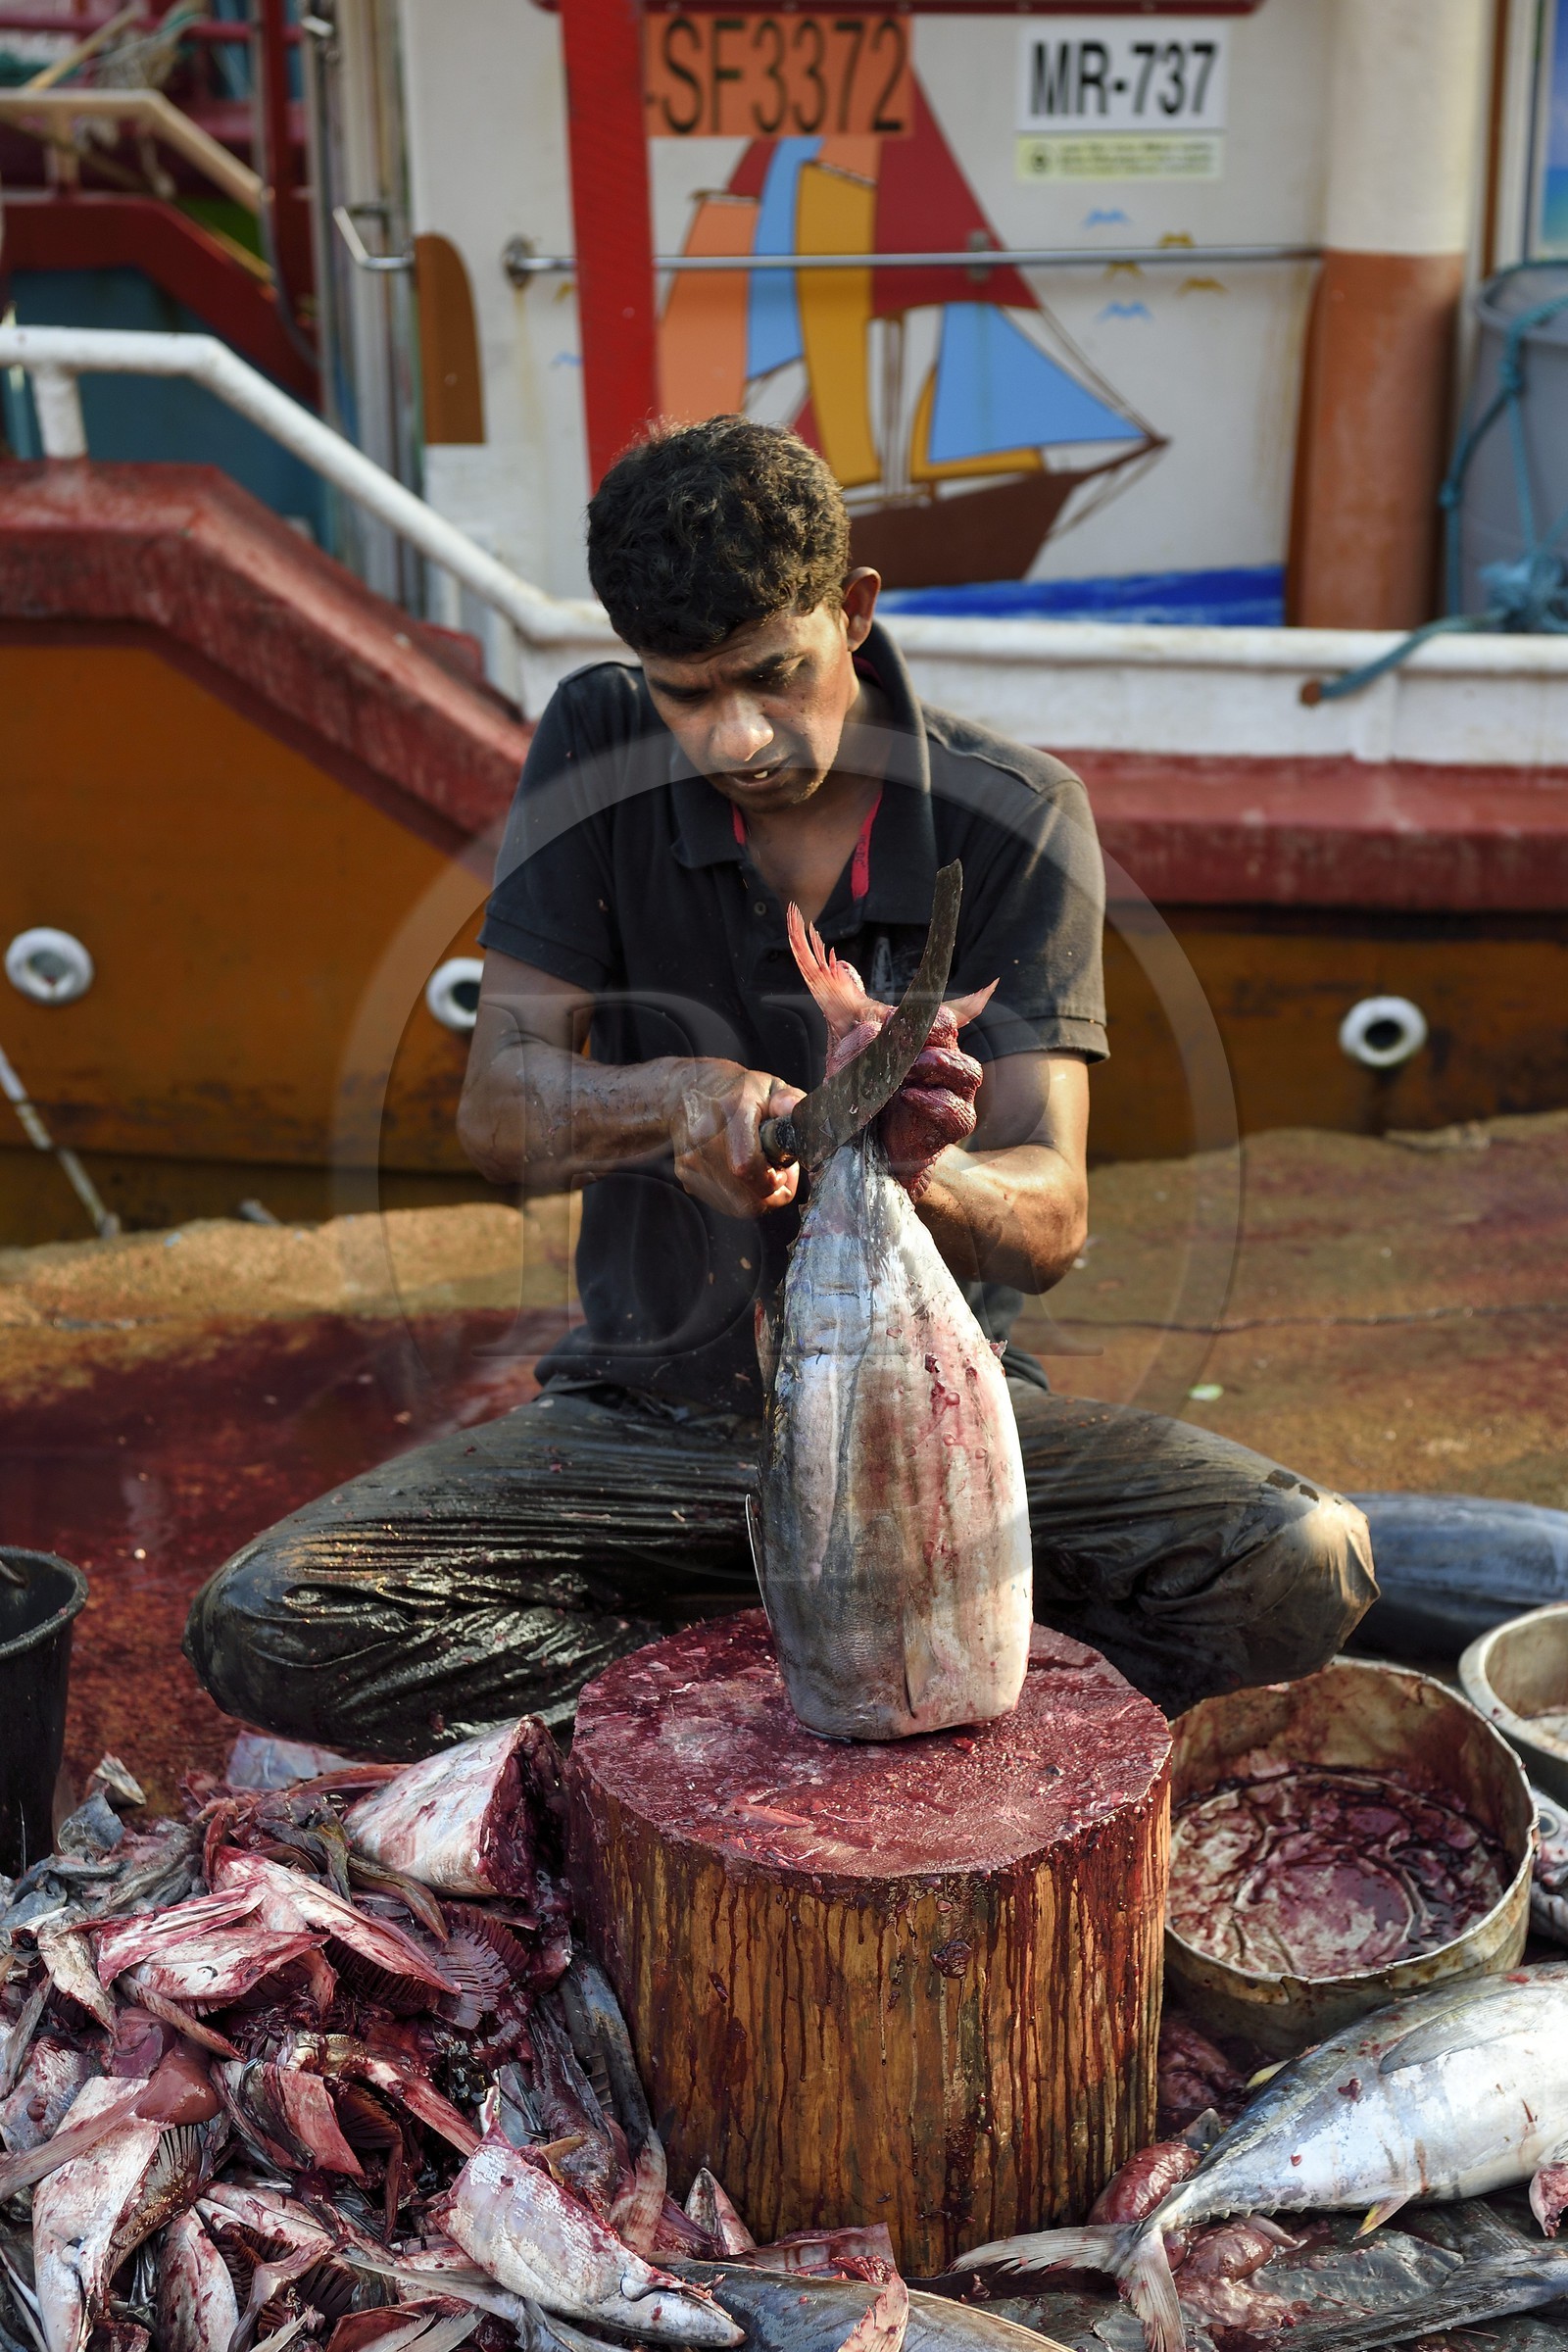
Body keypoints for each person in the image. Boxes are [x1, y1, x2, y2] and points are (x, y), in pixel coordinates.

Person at [186, 419, 1375, 1757]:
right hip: (648, 1429)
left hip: (932, 1432)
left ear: (854, 612)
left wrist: (935, 1167)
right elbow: (501, 1111)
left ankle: (827, 1699)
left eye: (772, 676)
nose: (736, 736)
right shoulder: (598, 737)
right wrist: (674, 1100)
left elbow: (1053, 1222)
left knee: (1297, 1557)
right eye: (686, 695)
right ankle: (733, 1708)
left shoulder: (1017, 811)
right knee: (270, 1615)